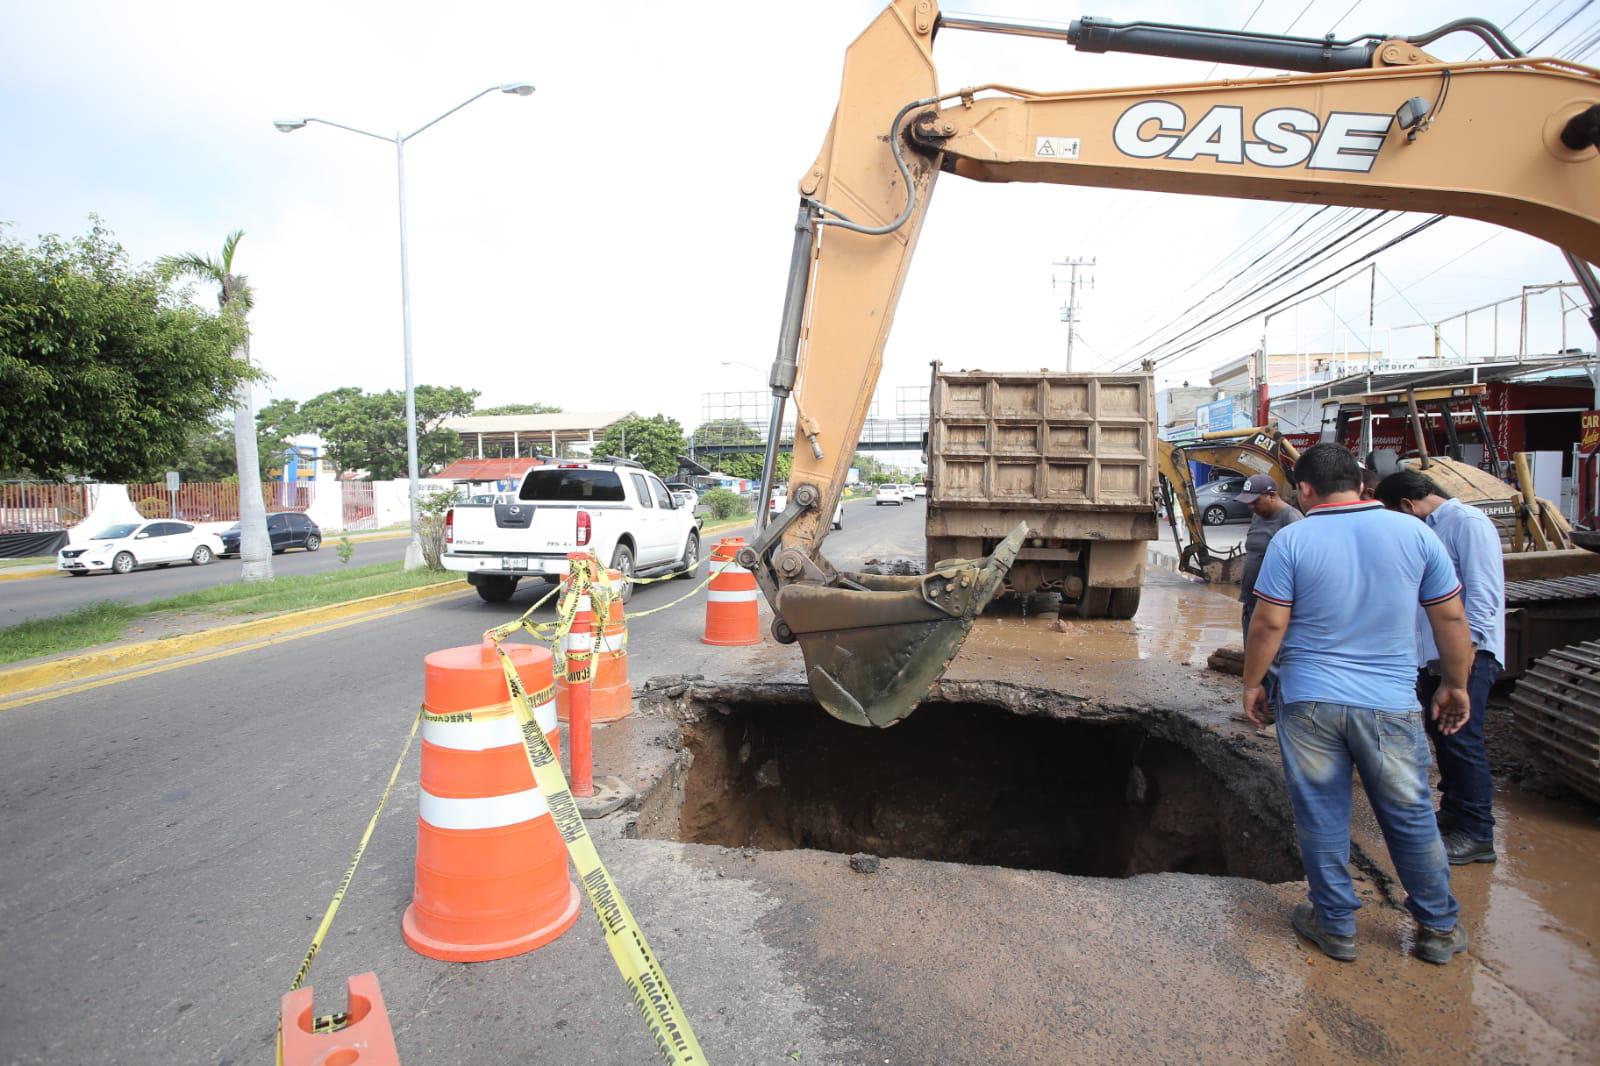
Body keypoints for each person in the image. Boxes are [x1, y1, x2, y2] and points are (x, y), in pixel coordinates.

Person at [1243, 443, 1475, 965]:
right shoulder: (1416, 534)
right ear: (1361, 483)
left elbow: (1270, 622)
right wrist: (1455, 684)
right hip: (1389, 704)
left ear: (1303, 490)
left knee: (1321, 813)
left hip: (1308, 701)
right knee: (1410, 815)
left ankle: (1336, 924)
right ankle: (1437, 929)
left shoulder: (1294, 539)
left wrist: (1253, 683)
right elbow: (1452, 619)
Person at [1375, 470, 1505, 865]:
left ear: (1408, 506)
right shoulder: (1429, 529)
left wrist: (1465, 659)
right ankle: (1454, 811)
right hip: (1433, 656)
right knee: (1443, 734)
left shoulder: (1467, 524)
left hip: (1466, 656)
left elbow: (1483, 595)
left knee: (1463, 740)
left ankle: (1478, 832)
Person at [1235, 473, 1303, 641]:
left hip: (1273, 606)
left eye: (1255, 501)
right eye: (1248, 502)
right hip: (1251, 601)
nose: (1251, 506)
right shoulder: (1258, 515)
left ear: (1272, 496)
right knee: (1251, 654)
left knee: (1270, 659)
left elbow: (1301, 567)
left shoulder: (1291, 519)